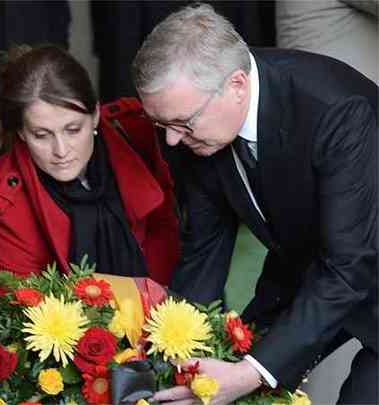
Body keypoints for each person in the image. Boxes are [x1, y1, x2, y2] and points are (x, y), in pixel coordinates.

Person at [132, 3, 377, 404]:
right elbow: (204, 249)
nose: (172, 140)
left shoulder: (335, 112)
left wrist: (251, 372)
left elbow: (349, 268)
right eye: (162, 126)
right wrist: (176, 347)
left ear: (237, 85)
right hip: (308, 271)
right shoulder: (191, 121)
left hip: (359, 265)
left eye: (181, 124)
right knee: (221, 377)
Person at [0, 45, 180, 286]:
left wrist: (157, 307)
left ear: (95, 114)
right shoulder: (1, 202)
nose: (61, 151)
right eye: (41, 135)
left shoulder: (135, 131)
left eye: (73, 130)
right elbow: (23, 308)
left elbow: (164, 232)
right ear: (22, 132)